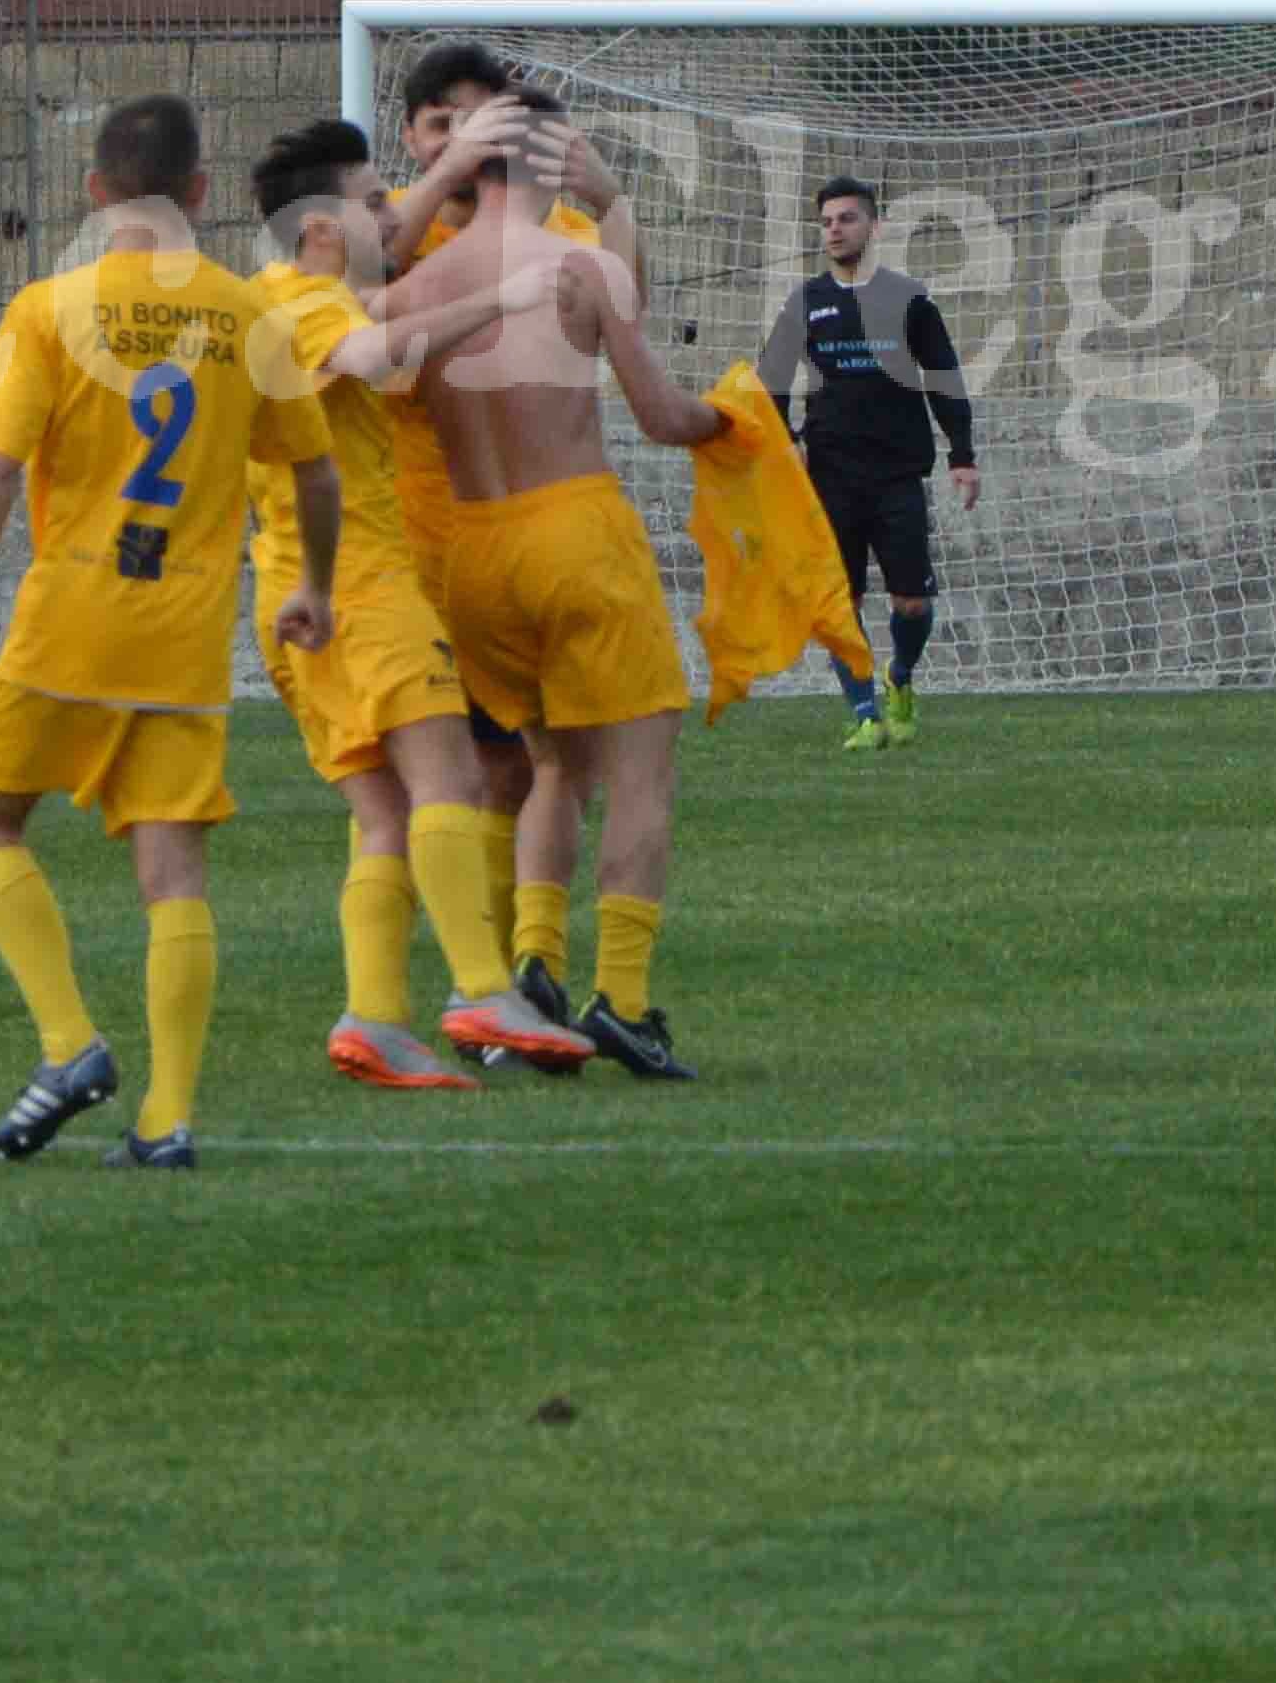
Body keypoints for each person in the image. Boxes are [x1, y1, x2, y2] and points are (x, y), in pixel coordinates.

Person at [0, 95, 337, 1167]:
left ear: (94, 193)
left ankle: (67, 1044)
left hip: (73, 612)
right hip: (186, 629)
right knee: (174, 875)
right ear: (201, 192)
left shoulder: (50, 309)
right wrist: (318, 585)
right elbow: (315, 464)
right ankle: (170, 1118)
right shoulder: (252, 314)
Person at [378, 89, 730, 1075]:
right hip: (574, 525)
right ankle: (621, 998)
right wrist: (736, 421)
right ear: (547, 163)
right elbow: (661, 414)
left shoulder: (419, 281)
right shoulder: (579, 264)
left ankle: (529, 964)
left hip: (473, 552)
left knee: (542, 762)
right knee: (638, 766)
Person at [244, 117, 544, 1087]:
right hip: (355, 588)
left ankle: (374, 1015)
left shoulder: (279, 296)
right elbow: (374, 354)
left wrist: (449, 173)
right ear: (324, 229)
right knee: (446, 783)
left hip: (293, 593)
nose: (393, 215)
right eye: (374, 201)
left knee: (382, 816)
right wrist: (499, 297)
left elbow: (374, 300)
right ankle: (481, 988)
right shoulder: (306, 306)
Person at [757, 174, 983, 750]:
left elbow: (945, 378)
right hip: (829, 473)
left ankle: (900, 677)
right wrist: (786, 441)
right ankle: (864, 713)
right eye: (827, 221)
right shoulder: (807, 301)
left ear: (873, 227)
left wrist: (962, 454)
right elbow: (770, 382)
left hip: (898, 473)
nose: (835, 229)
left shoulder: (908, 299)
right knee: (840, 601)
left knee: (911, 601)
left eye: (847, 219)